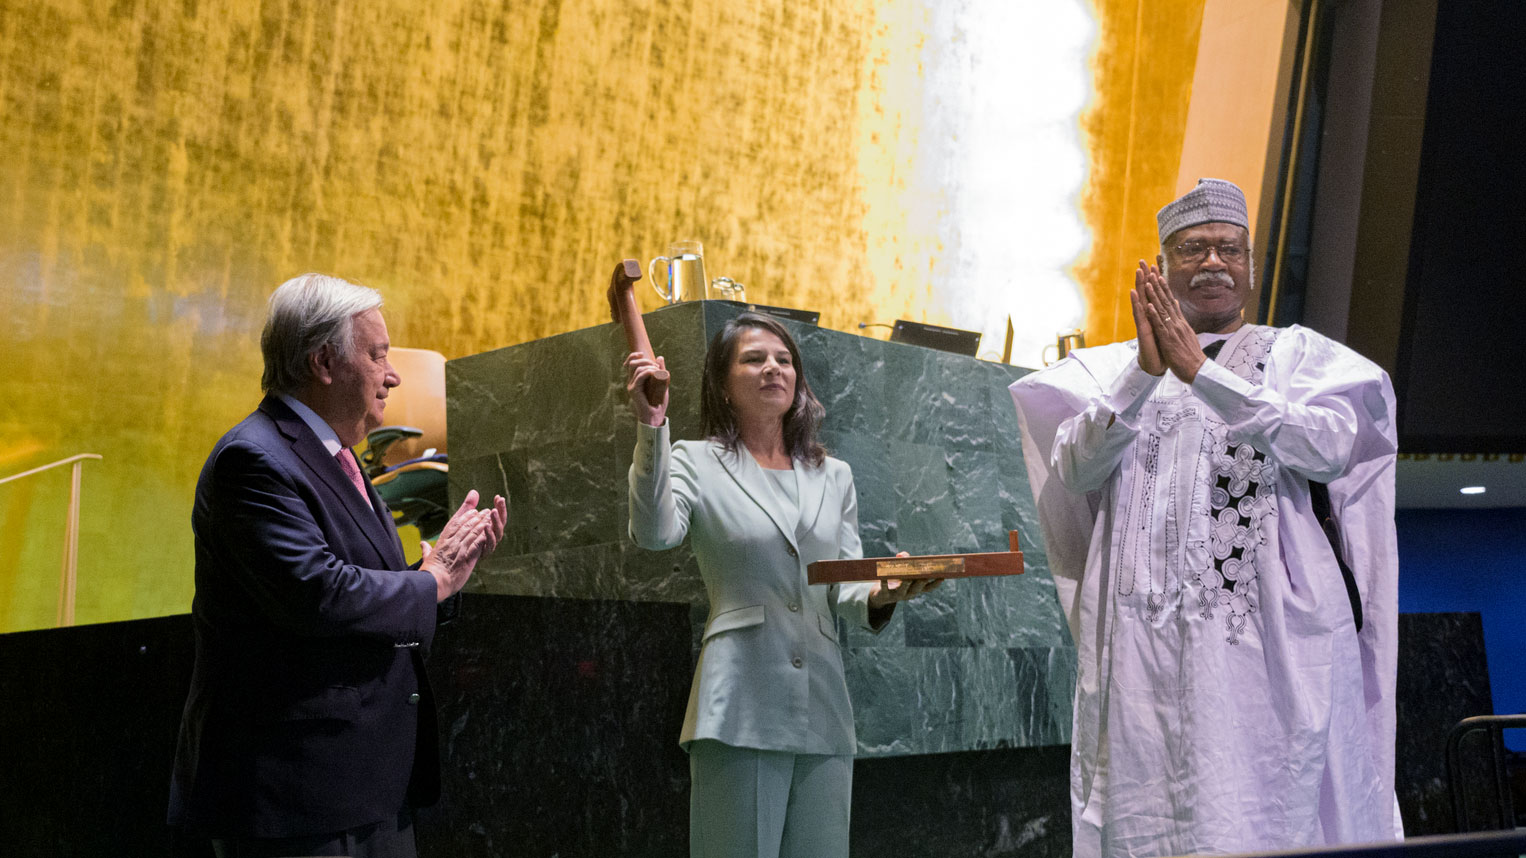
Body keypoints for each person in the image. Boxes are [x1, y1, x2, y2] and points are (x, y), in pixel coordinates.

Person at [1010, 179, 1402, 857]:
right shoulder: (1106, 372)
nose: (1214, 261)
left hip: (1276, 648)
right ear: (1160, 268)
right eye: (1193, 248)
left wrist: (1204, 374)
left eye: (1230, 248)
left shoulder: (1299, 357)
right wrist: (1144, 375)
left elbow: (1332, 447)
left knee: (1275, 815)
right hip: (1141, 656)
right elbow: (1072, 470)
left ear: (1251, 266)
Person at [168, 273, 507, 858]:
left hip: (369, 790)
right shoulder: (254, 460)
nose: (393, 374)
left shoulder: (341, 462)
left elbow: (365, 598)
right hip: (295, 802)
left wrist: (439, 588)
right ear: (324, 361)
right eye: (378, 355)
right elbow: (318, 594)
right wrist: (430, 583)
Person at [626, 312, 938, 858]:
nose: (773, 368)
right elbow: (655, 535)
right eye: (754, 358)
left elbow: (843, 584)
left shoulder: (833, 474)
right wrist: (653, 425)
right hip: (738, 707)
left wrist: (883, 591)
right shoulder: (694, 460)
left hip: (823, 710)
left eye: (784, 359)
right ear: (723, 383)